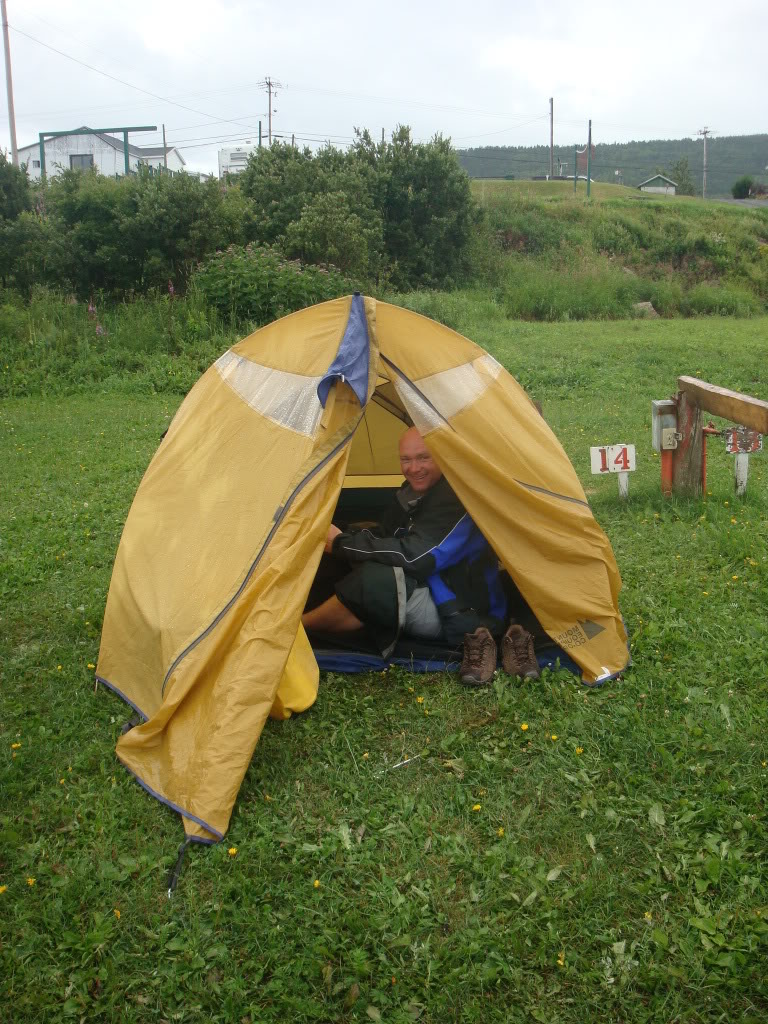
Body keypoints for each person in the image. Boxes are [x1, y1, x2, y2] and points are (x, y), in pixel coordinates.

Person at [302, 427, 540, 686]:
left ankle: (298, 629)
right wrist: (343, 533)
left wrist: (341, 542)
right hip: (427, 586)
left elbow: (418, 557)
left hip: (463, 611)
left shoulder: (458, 499)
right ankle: (296, 612)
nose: (414, 468)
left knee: (374, 581)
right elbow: (385, 535)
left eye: (423, 458)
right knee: (344, 555)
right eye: (406, 459)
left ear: (442, 457)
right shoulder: (410, 494)